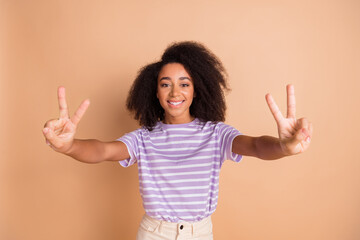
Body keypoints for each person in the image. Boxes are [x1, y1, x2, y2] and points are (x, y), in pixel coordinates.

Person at [42, 41, 313, 240]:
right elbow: (102, 150)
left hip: (200, 233)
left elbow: (254, 146)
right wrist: (68, 146)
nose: (175, 91)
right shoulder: (143, 139)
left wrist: (283, 147)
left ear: (197, 91)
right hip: (154, 234)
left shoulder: (216, 133)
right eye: (165, 83)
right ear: (155, 93)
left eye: (184, 83)